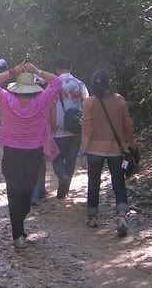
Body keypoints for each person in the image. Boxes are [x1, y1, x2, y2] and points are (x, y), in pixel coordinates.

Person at [0, 63, 62, 249]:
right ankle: (18, 233)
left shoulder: (6, 100)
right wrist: (36, 71)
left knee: (14, 194)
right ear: (34, 88)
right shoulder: (43, 100)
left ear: (17, 88)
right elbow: (57, 82)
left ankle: (17, 229)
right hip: (33, 155)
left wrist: (14, 71)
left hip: (12, 154)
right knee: (27, 193)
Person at [81, 69, 135, 237]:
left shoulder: (89, 102)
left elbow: (87, 127)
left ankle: (92, 216)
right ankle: (121, 216)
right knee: (118, 183)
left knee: (93, 181)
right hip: (115, 149)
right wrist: (130, 143)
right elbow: (127, 124)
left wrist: (84, 150)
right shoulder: (119, 100)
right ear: (108, 82)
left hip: (94, 149)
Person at [52, 57, 88, 199]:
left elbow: (49, 105)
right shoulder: (80, 84)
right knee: (71, 159)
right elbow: (86, 104)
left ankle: (62, 176)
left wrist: (51, 122)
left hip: (58, 126)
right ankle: (66, 189)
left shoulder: (54, 84)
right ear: (71, 68)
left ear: (57, 69)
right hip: (76, 126)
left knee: (57, 156)